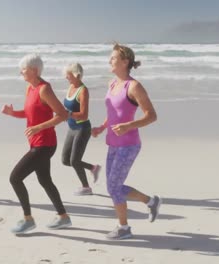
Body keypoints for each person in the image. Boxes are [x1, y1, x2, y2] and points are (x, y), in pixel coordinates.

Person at [92, 44, 161, 240]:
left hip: (129, 144)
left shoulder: (134, 86)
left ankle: (124, 228)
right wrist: (102, 127)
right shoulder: (112, 84)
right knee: (113, 186)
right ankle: (151, 202)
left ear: (125, 62)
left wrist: (129, 126)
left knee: (114, 187)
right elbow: (113, 114)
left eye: (113, 58)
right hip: (113, 143)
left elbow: (151, 115)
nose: (109, 61)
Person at [2, 54, 72, 234]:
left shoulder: (44, 89)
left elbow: (63, 115)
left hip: (45, 144)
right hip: (36, 143)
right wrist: (12, 113)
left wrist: (38, 128)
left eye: (23, 69)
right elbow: (28, 113)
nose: (21, 72)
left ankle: (28, 219)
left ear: (34, 70)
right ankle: (63, 217)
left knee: (15, 178)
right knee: (45, 180)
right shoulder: (30, 88)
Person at [61, 63, 101, 195]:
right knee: (66, 160)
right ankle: (93, 168)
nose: (66, 77)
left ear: (77, 75)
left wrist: (68, 114)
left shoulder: (83, 90)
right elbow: (66, 108)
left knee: (74, 161)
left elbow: (84, 114)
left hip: (82, 129)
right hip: (71, 128)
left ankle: (86, 188)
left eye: (68, 74)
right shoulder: (71, 86)